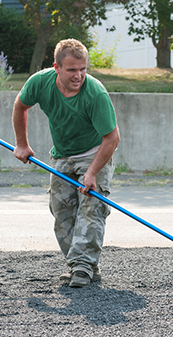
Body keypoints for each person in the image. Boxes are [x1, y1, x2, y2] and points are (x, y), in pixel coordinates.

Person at [12, 38, 120, 288]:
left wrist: (92, 173)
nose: (78, 75)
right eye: (72, 69)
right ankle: (82, 264)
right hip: (61, 154)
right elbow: (21, 105)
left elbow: (112, 139)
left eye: (83, 69)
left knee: (91, 207)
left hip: (94, 152)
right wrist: (22, 144)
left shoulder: (95, 93)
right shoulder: (40, 82)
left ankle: (82, 266)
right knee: (62, 212)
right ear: (57, 67)